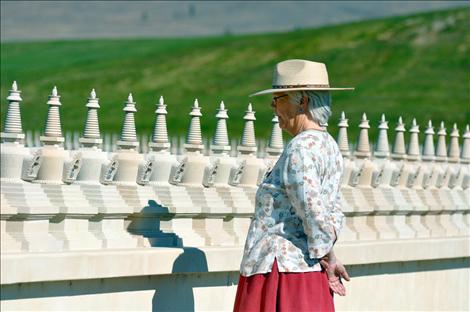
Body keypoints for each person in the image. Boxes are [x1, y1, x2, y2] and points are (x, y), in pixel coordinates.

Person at [233, 59, 353, 311]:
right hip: (307, 273)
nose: (273, 105)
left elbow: (312, 209)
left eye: (279, 97)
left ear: (304, 101)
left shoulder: (300, 148)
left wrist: (328, 256)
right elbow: (333, 210)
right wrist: (328, 254)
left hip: (282, 274)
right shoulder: (329, 145)